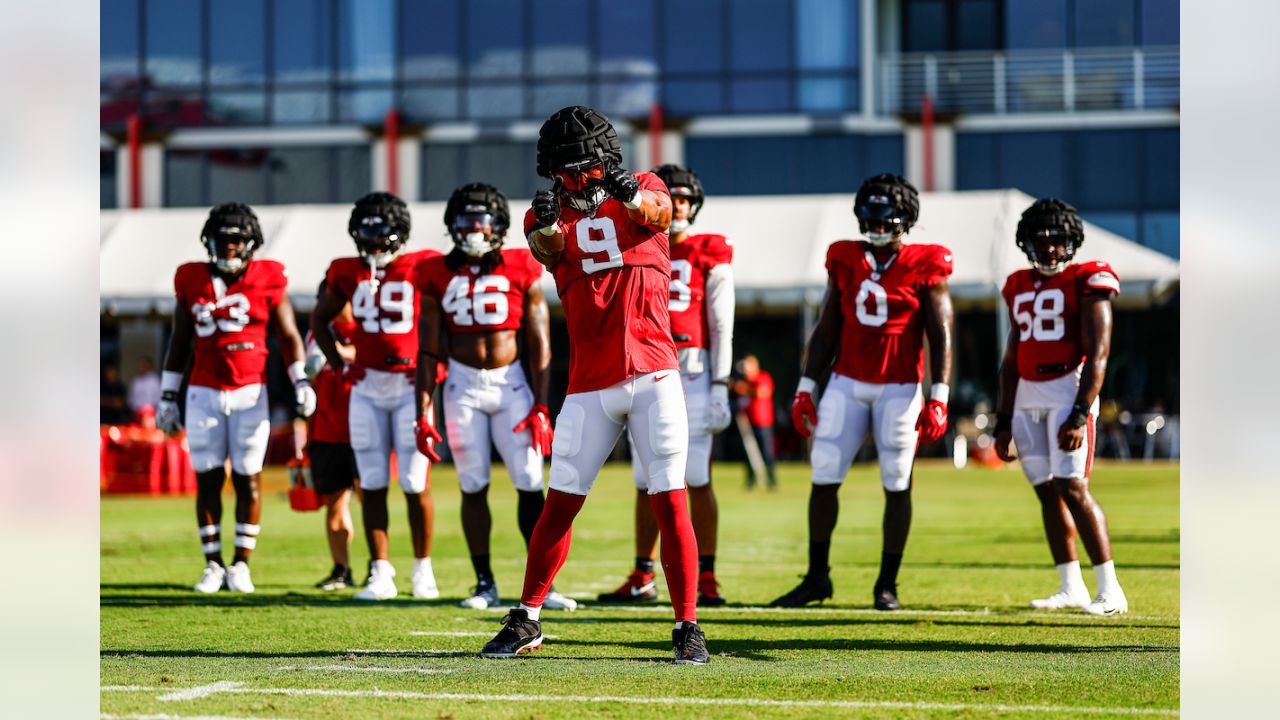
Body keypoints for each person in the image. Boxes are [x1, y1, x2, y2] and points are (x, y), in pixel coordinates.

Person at [480, 106, 709, 664]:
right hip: (588, 382)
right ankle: (528, 617)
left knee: (670, 498)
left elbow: (656, 210)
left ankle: (687, 626)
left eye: (582, 167)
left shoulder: (646, 189)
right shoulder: (547, 216)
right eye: (565, 168)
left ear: (603, 160)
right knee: (558, 505)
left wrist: (625, 191)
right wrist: (547, 226)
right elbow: (547, 250)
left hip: (654, 371)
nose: (575, 178)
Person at [771, 174, 953, 611]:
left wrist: (940, 394)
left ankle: (886, 584)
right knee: (823, 476)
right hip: (847, 383)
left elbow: (941, 331)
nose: (874, 227)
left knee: (897, 482)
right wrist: (805, 387)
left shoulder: (927, 260)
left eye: (884, 219)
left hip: (900, 387)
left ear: (905, 220)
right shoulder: (845, 256)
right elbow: (828, 325)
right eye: (869, 218)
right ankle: (817, 578)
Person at [414, 182, 575, 611]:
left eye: (481, 221)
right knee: (472, 483)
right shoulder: (434, 273)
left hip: (512, 384)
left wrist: (542, 405)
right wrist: (422, 411)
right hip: (462, 385)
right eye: (465, 221)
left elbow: (540, 344)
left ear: (499, 227)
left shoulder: (522, 265)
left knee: (529, 481)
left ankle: (544, 584)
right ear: (451, 225)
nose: (473, 229)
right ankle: (484, 582)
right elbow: (428, 349)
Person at [155, 203, 316, 594]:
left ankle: (241, 564)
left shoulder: (269, 277)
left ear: (251, 244)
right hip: (203, 391)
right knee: (207, 479)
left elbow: (289, 335)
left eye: (236, 241)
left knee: (249, 479)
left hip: (249, 392)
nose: (229, 248)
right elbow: (180, 340)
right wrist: (167, 395)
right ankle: (213, 564)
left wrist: (301, 381)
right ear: (209, 241)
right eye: (223, 241)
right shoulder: (190, 277)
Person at [598, 163, 734, 607]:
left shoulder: (707, 251)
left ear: (693, 205)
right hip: (649, 366)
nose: (674, 206)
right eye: (667, 196)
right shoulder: (635, 240)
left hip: (693, 369)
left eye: (682, 198)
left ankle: (707, 576)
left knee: (695, 476)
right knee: (644, 479)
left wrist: (720, 383)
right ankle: (642, 574)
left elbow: (722, 322)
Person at [994, 199, 1128, 616]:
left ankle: (1111, 589)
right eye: (1041, 240)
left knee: (1073, 487)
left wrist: (1078, 412)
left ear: (1072, 243)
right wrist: (1003, 420)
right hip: (1027, 395)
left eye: (1058, 241)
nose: (1050, 249)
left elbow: (1099, 353)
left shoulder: (1086, 279)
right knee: (1046, 492)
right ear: (1027, 243)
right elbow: (1011, 356)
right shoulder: (1016, 283)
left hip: (1067, 386)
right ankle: (1071, 585)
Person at [311, 192, 441, 601]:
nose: (371, 242)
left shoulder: (422, 264)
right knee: (372, 482)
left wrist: (435, 366)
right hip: (366, 388)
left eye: (379, 233)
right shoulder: (347, 271)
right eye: (365, 233)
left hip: (408, 386)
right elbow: (319, 317)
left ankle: (423, 570)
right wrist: (337, 362)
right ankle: (380, 571)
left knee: (413, 481)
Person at [303, 282, 360, 591]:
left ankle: (380, 566)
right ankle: (342, 568)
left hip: (364, 428)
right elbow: (308, 380)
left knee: (371, 498)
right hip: (327, 430)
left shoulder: (366, 326)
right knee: (334, 504)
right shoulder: (316, 333)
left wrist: (340, 352)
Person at [731, 354, 777, 489]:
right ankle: (751, 481)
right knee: (748, 453)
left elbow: (763, 392)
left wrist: (744, 389)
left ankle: (771, 480)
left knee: (767, 452)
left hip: (763, 422)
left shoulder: (762, 377)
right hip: (747, 423)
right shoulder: (743, 380)